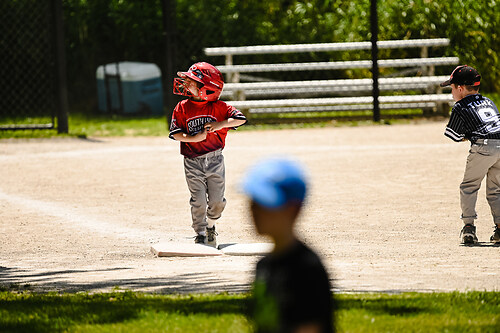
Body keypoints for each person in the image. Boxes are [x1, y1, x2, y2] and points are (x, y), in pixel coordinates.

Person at [242, 158, 335, 333]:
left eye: (264, 204)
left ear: (292, 209)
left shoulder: (305, 267)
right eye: (253, 202)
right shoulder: (264, 266)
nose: (253, 211)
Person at [169, 62, 247, 247]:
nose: (186, 83)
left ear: (207, 89)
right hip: (192, 161)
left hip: (214, 160)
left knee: (217, 201)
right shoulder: (182, 107)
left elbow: (240, 119)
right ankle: (201, 233)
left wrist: (220, 124)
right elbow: (175, 133)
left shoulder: (219, 108)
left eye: (192, 81)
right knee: (198, 201)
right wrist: (193, 138)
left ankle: (211, 225)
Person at [441, 65, 500, 245]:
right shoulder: (489, 101)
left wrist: (467, 135)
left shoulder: (460, 106)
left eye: (452, 88)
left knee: (469, 186)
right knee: (496, 189)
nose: (451, 93)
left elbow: (454, 135)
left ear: (460, 88)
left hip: (483, 146)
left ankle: (469, 227)